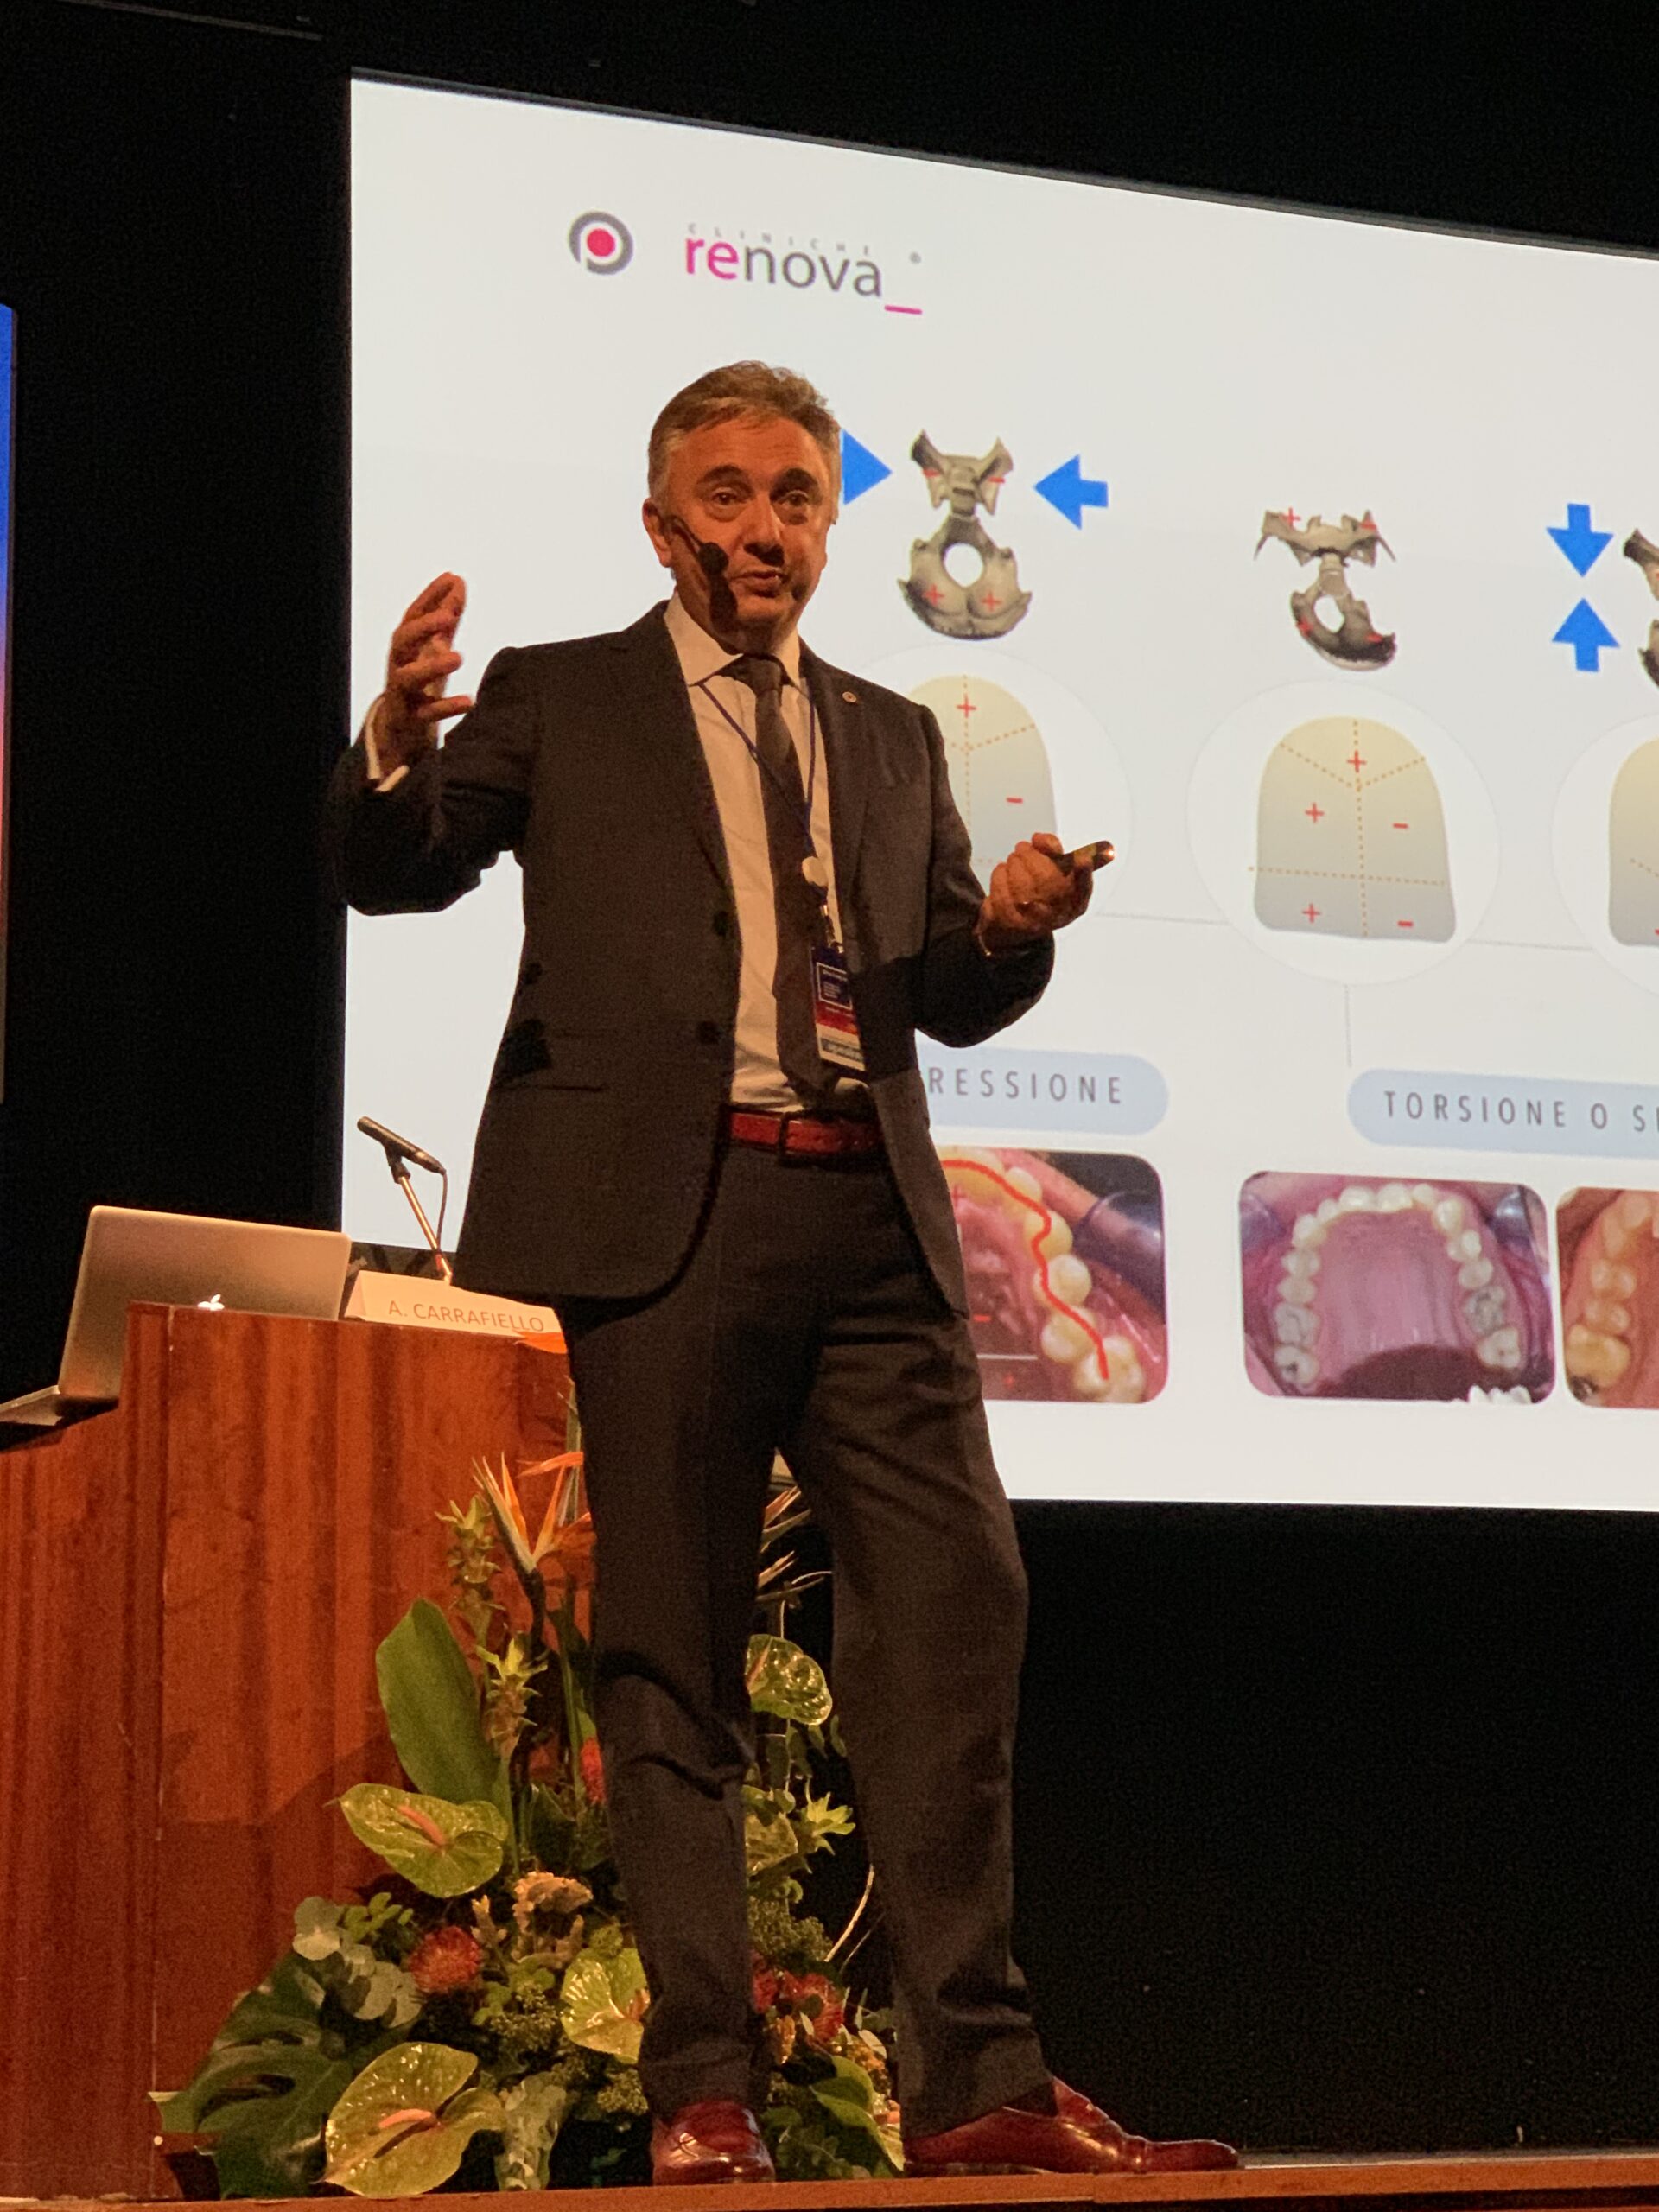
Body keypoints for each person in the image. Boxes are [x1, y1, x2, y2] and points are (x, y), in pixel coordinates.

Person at [328, 361, 1237, 2185]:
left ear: (832, 525)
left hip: (871, 1221)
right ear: (662, 525)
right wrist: (393, 741)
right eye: (729, 494)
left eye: (798, 495)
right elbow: (398, 872)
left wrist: (1011, 927)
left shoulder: (891, 734)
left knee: (957, 1608)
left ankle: (975, 2083)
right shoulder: (562, 694)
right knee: (675, 1656)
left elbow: (945, 994)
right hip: (671, 1218)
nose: (766, 527)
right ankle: (703, 2086)